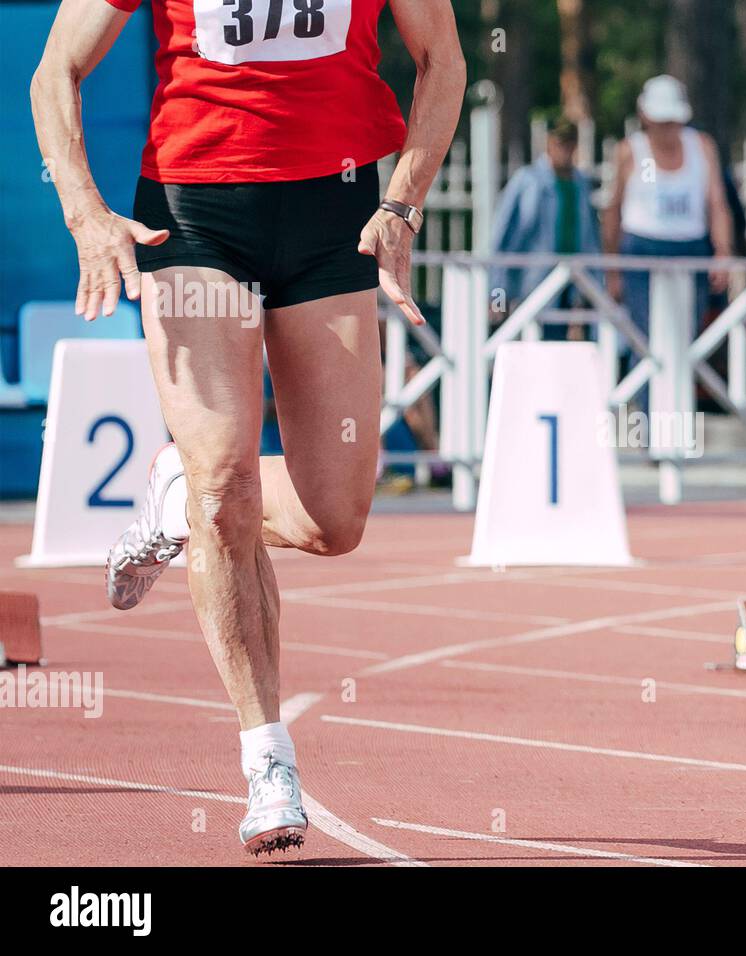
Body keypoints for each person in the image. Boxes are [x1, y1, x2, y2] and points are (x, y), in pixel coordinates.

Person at [31, 0, 466, 856]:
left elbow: (443, 58)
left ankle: (173, 496)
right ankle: (267, 760)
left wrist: (403, 203)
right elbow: (57, 71)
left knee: (335, 519)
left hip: (335, 206)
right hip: (195, 213)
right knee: (224, 487)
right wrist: (84, 212)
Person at [603, 75, 733, 342]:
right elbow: (613, 209)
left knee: (686, 338)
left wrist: (722, 252)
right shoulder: (630, 151)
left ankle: (679, 384)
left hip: (691, 249)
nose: (667, 128)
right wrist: (612, 269)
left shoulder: (702, 147)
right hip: (641, 251)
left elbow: (717, 204)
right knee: (645, 339)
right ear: (645, 117)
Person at [489, 118, 601, 340]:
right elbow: (502, 237)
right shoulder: (527, 180)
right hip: (532, 281)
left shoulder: (581, 182)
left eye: (569, 144)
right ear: (549, 143)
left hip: (575, 283)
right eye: (560, 143)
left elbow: (590, 237)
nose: (565, 150)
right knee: (528, 344)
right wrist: (496, 294)